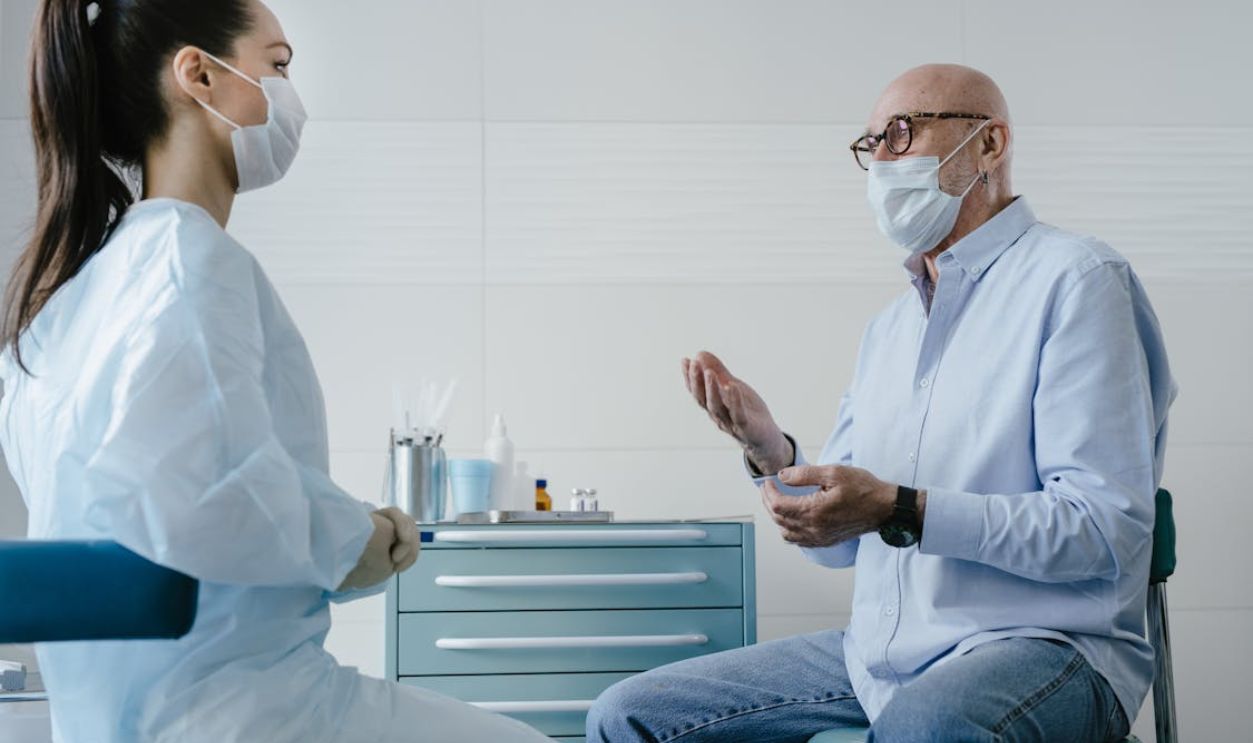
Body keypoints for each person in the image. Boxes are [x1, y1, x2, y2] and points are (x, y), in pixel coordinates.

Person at [0, 1, 549, 741]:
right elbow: (206, 493)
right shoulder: (186, 260)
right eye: (278, 65)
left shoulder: (74, 304)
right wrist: (359, 535)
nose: (291, 97)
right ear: (197, 74)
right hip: (245, 716)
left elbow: (165, 506)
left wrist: (346, 541)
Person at [587, 64, 1176, 742]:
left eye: (900, 133)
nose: (882, 162)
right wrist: (769, 450)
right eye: (871, 145)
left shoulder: (1076, 282)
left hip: (1048, 647)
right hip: (879, 657)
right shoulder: (891, 329)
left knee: (925, 727)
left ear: (989, 145)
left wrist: (901, 508)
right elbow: (836, 549)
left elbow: (1104, 532)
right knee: (628, 715)